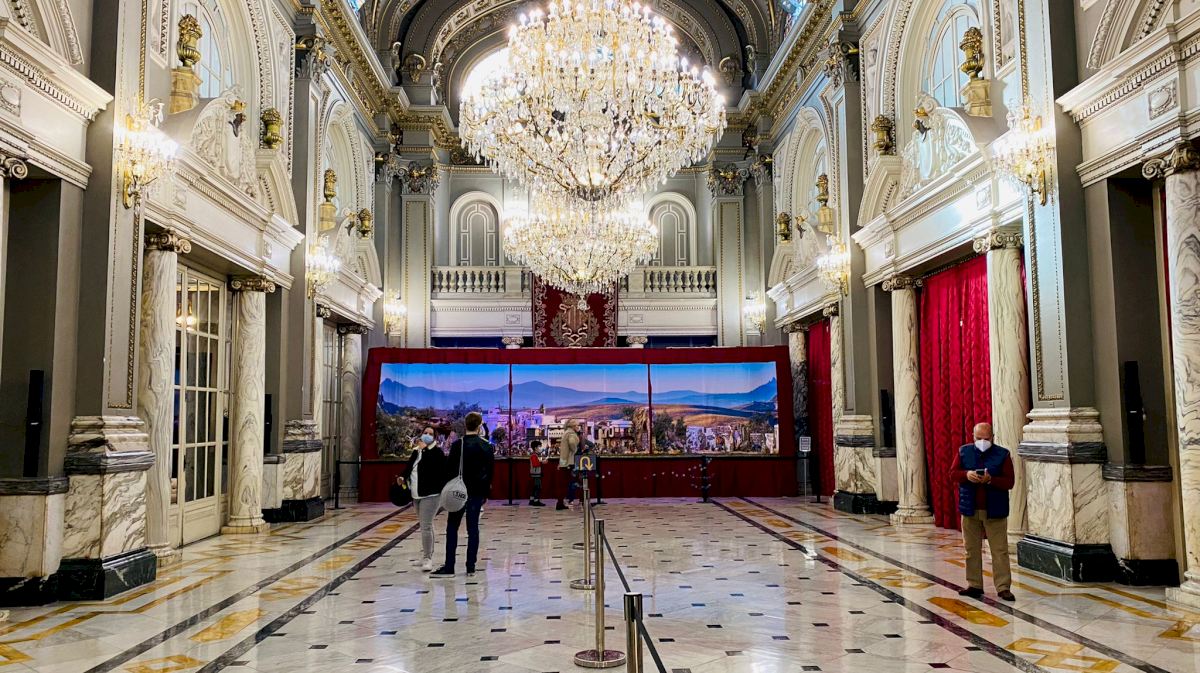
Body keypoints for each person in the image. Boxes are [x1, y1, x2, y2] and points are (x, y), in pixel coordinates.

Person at [949, 422, 1016, 602]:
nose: (982, 442)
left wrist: (990, 479)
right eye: (979, 438)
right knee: (971, 549)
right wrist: (966, 475)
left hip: (995, 509)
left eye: (986, 438)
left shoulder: (1003, 454)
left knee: (999, 550)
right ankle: (974, 585)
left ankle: (1003, 587)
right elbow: (953, 473)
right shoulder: (964, 451)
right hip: (970, 508)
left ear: (992, 437)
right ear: (973, 436)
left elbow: (1009, 482)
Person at [431, 412, 494, 578]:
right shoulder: (487, 446)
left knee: (452, 527)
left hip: (458, 491)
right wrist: (485, 493)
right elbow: (489, 473)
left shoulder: (458, 445)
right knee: (473, 529)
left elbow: (449, 469)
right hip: (477, 492)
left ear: (465, 425)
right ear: (479, 426)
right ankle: (470, 566)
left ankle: (449, 566)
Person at [398, 427, 446, 571]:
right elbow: (409, 467)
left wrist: (425, 450)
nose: (427, 435)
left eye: (430, 434)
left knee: (426, 526)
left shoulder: (437, 453)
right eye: (425, 433)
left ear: (434, 437)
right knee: (425, 525)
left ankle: (428, 558)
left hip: (431, 495)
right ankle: (426, 553)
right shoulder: (416, 451)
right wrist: (402, 477)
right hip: (416, 494)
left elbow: (436, 469)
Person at [555, 419, 581, 511]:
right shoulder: (571, 434)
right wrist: (575, 450)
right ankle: (581, 500)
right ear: (573, 426)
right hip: (570, 462)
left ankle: (560, 502)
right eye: (577, 425)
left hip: (564, 462)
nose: (578, 427)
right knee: (576, 482)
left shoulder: (566, 433)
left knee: (563, 484)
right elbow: (572, 443)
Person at [528, 440, 545, 506]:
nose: (540, 448)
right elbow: (535, 464)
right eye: (539, 446)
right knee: (537, 487)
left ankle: (532, 500)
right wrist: (542, 462)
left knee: (534, 487)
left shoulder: (535, 455)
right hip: (536, 474)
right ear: (535, 448)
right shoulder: (534, 455)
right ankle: (536, 501)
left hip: (535, 473)